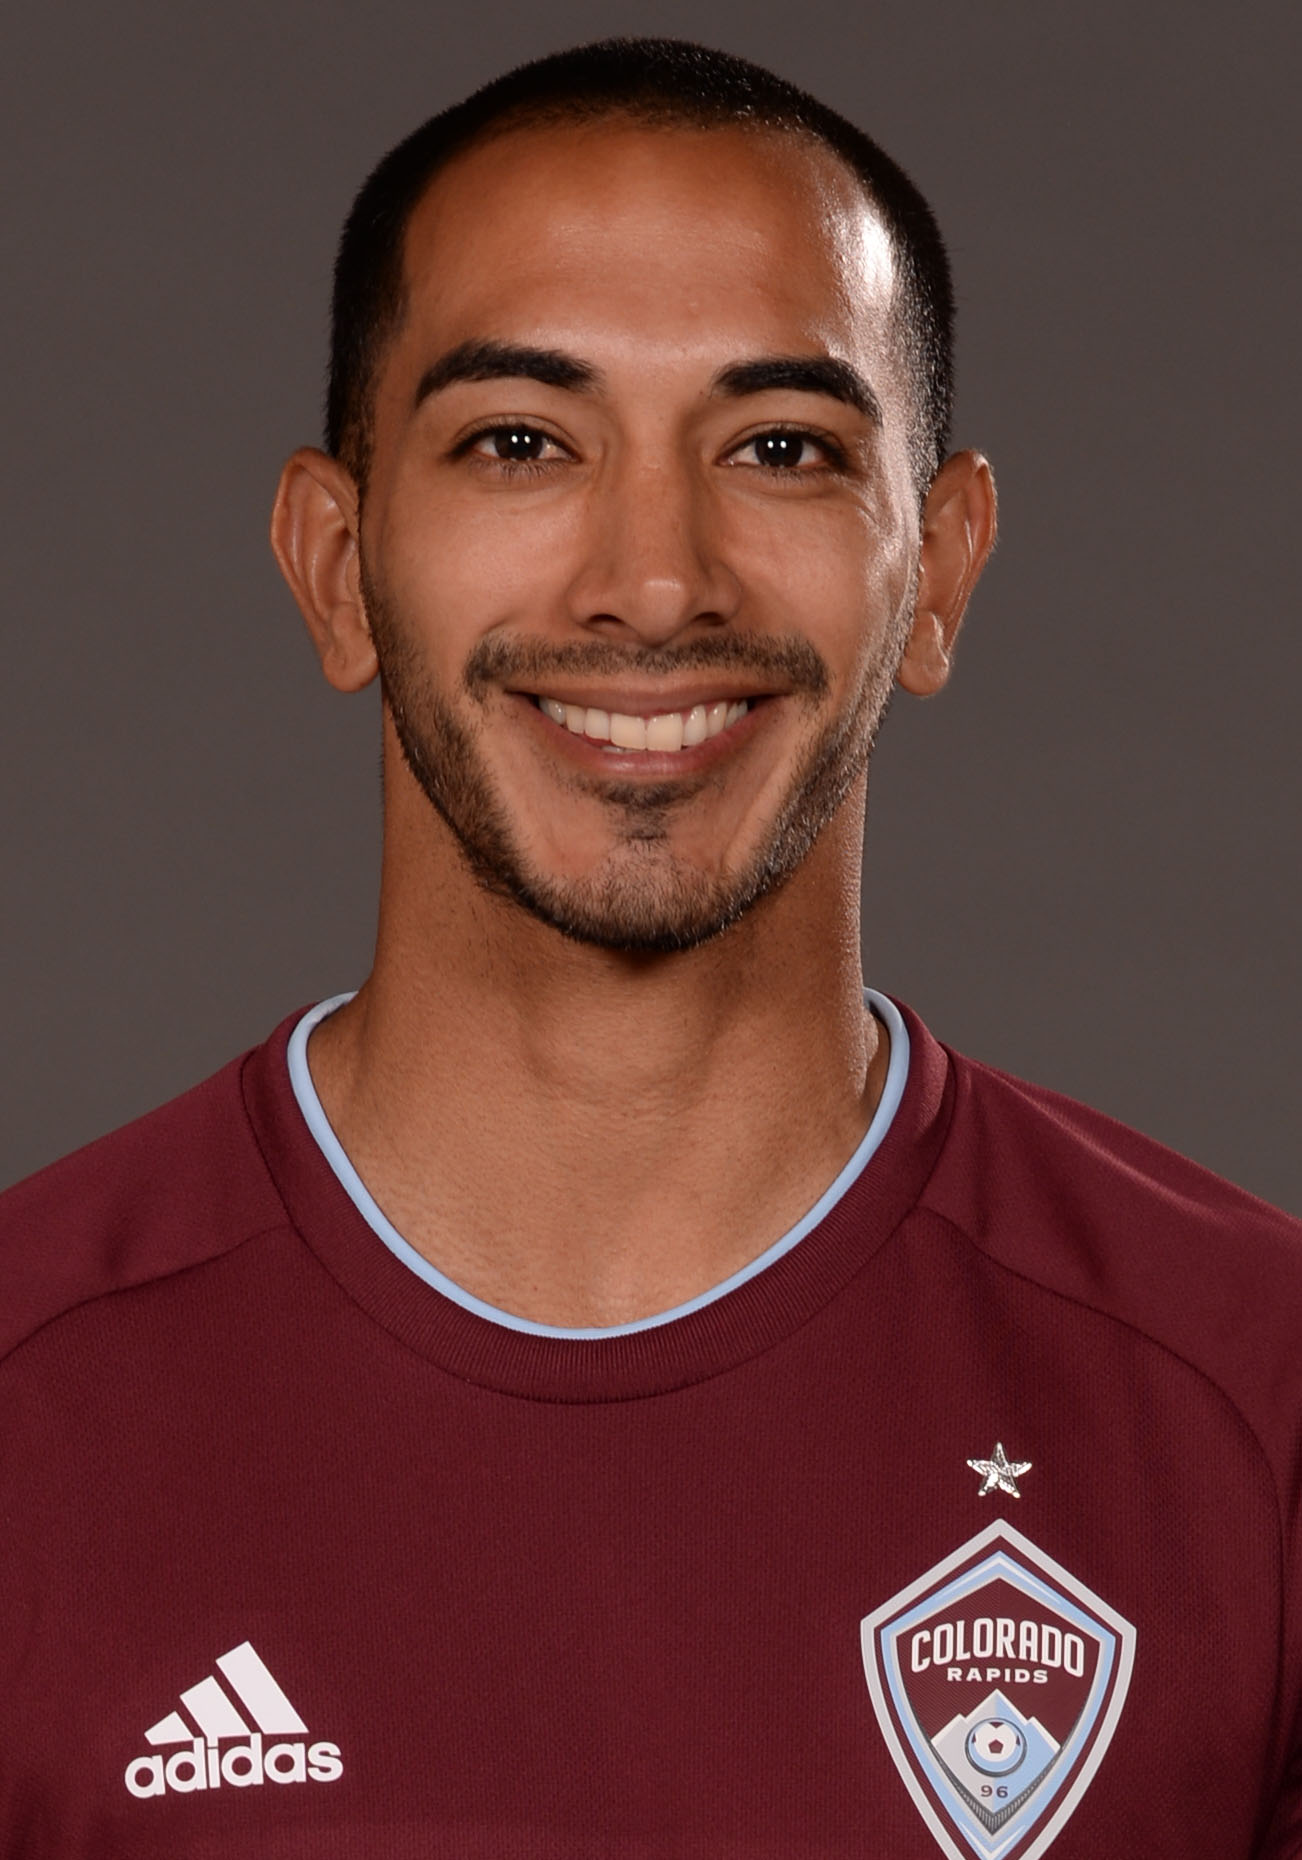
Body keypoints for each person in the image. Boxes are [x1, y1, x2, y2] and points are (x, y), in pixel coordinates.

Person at [2, 36, 1299, 1860]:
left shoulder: (1255, 1399)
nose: (657, 581)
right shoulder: (29, 1400)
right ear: (334, 564)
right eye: (519, 442)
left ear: (936, 570)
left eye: (779, 449)